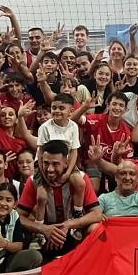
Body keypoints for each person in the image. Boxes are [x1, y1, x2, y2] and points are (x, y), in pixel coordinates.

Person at [17, 141, 103, 259]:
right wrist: (43, 229)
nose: (50, 169)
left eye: (55, 164)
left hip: (74, 231)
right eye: (46, 163)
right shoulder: (33, 181)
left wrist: (68, 224)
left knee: (96, 228)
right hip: (45, 234)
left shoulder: (81, 178)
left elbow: (97, 214)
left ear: (66, 163)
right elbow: (18, 217)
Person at [32, 94, 87, 222]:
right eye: (54, 108)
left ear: (71, 111)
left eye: (61, 108)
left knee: (80, 184)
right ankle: (39, 226)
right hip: (44, 163)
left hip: (64, 163)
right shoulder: (45, 127)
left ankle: (77, 214)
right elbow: (40, 152)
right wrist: (45, 177)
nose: (57, 111)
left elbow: (74, 151)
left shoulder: (73, 126)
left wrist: (67, 174)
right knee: (41, 197)